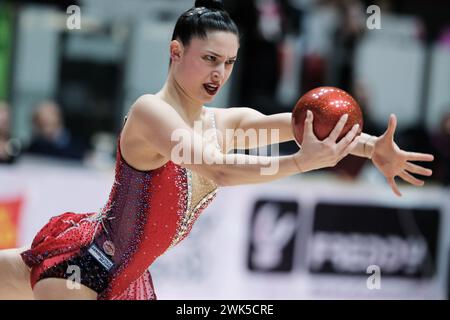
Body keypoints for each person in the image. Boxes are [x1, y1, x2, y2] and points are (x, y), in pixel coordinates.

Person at [0, 0, 434, 300]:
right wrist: (301, 164)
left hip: (129, 279)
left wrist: (370, 146)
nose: (220, 73)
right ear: (175, 51)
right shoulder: (151, 113)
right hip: (88, 269)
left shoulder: (221, 122)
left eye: (228, 63)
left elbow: (301, 126)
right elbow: (219, 169)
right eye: (209, 58)